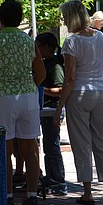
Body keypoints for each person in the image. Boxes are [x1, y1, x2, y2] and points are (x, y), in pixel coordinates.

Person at [55, 0, 103, 205]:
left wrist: (59, 107)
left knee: (82, 143)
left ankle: (88, 191)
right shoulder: (101, 36)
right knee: (101, 141)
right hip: (101, 92)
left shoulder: (71, 42)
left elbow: (70, 78)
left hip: (79, 93)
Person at [0, 0, 46, 205]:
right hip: (28, 97)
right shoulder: (30, 41)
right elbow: (41, 73)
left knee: (4, 150)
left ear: (0, 19)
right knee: (31, 149)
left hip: (2, 96)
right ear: (20, 20)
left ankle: (7, 196)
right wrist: (28, 85)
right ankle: (32, 195)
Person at [35, 31, 68, 196]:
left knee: (52, 146)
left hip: (52, 110)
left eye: (38, 46)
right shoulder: (45, 62)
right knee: (47, 146)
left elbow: (60, 89)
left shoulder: (55, 65)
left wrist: (41, 90)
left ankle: (59, 181)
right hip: (44, 110)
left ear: (47, 47)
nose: (36, 49)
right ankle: (51, 177)